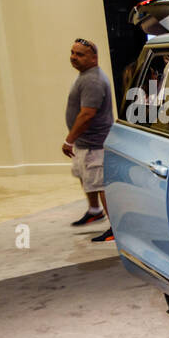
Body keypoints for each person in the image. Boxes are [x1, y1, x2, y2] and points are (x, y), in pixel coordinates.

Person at [63, 37, 115, 242]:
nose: (73, 57)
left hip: (96, 144)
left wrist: (69, 140)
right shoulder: (85, 75)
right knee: (84, 176)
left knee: (101, 184)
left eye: (80, 54)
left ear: (94, 58)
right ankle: (95, 211)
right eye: (72, 53)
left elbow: (87, 114)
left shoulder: (92, 80)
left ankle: (115, 228)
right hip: (85, 143)